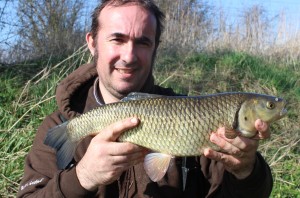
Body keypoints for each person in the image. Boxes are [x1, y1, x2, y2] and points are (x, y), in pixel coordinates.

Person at [17, 0, 273, 197]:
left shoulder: (194, 115)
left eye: (142, 42)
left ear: (155, 49)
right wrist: (82, 177)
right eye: (117, 39)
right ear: (93, 43)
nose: (129, 56)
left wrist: (246, 170)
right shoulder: (59, 126)